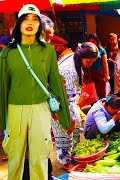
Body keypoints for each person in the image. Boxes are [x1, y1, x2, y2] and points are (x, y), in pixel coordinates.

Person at [0, 4, 71, 179]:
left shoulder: (48, 52)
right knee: (16, 157)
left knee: (40, 155)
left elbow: (55, 83)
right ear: (18, 24)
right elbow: (3, 88)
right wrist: (2, 122)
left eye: (34, 19)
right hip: (15, 109)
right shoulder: (8, 53)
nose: (30, 23)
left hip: (41, 109)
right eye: (25, 19)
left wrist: (65, 117)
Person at [53, 42, 99, 172]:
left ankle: (72, 155)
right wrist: (71, 119)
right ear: (81, 57)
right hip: (60, 106)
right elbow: (67, 100)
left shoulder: (75, 59)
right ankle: (66, 162)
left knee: (76, 128)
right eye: (89, 61)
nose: (90, 64)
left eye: (92, 62)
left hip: (68, 103)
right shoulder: (69, 71)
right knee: (65, 132)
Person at [88, 34, 110, 99]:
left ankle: (102, 103)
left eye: (93, 41)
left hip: (100, 73)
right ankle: (94, 106)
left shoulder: (101, 50)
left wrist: (107, 75)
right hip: (90, 73)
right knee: (92, 90)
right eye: (90, 41)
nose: (92, 43)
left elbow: (105, 63)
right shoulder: (87, 51)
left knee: (101, 91)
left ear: (97, 41)